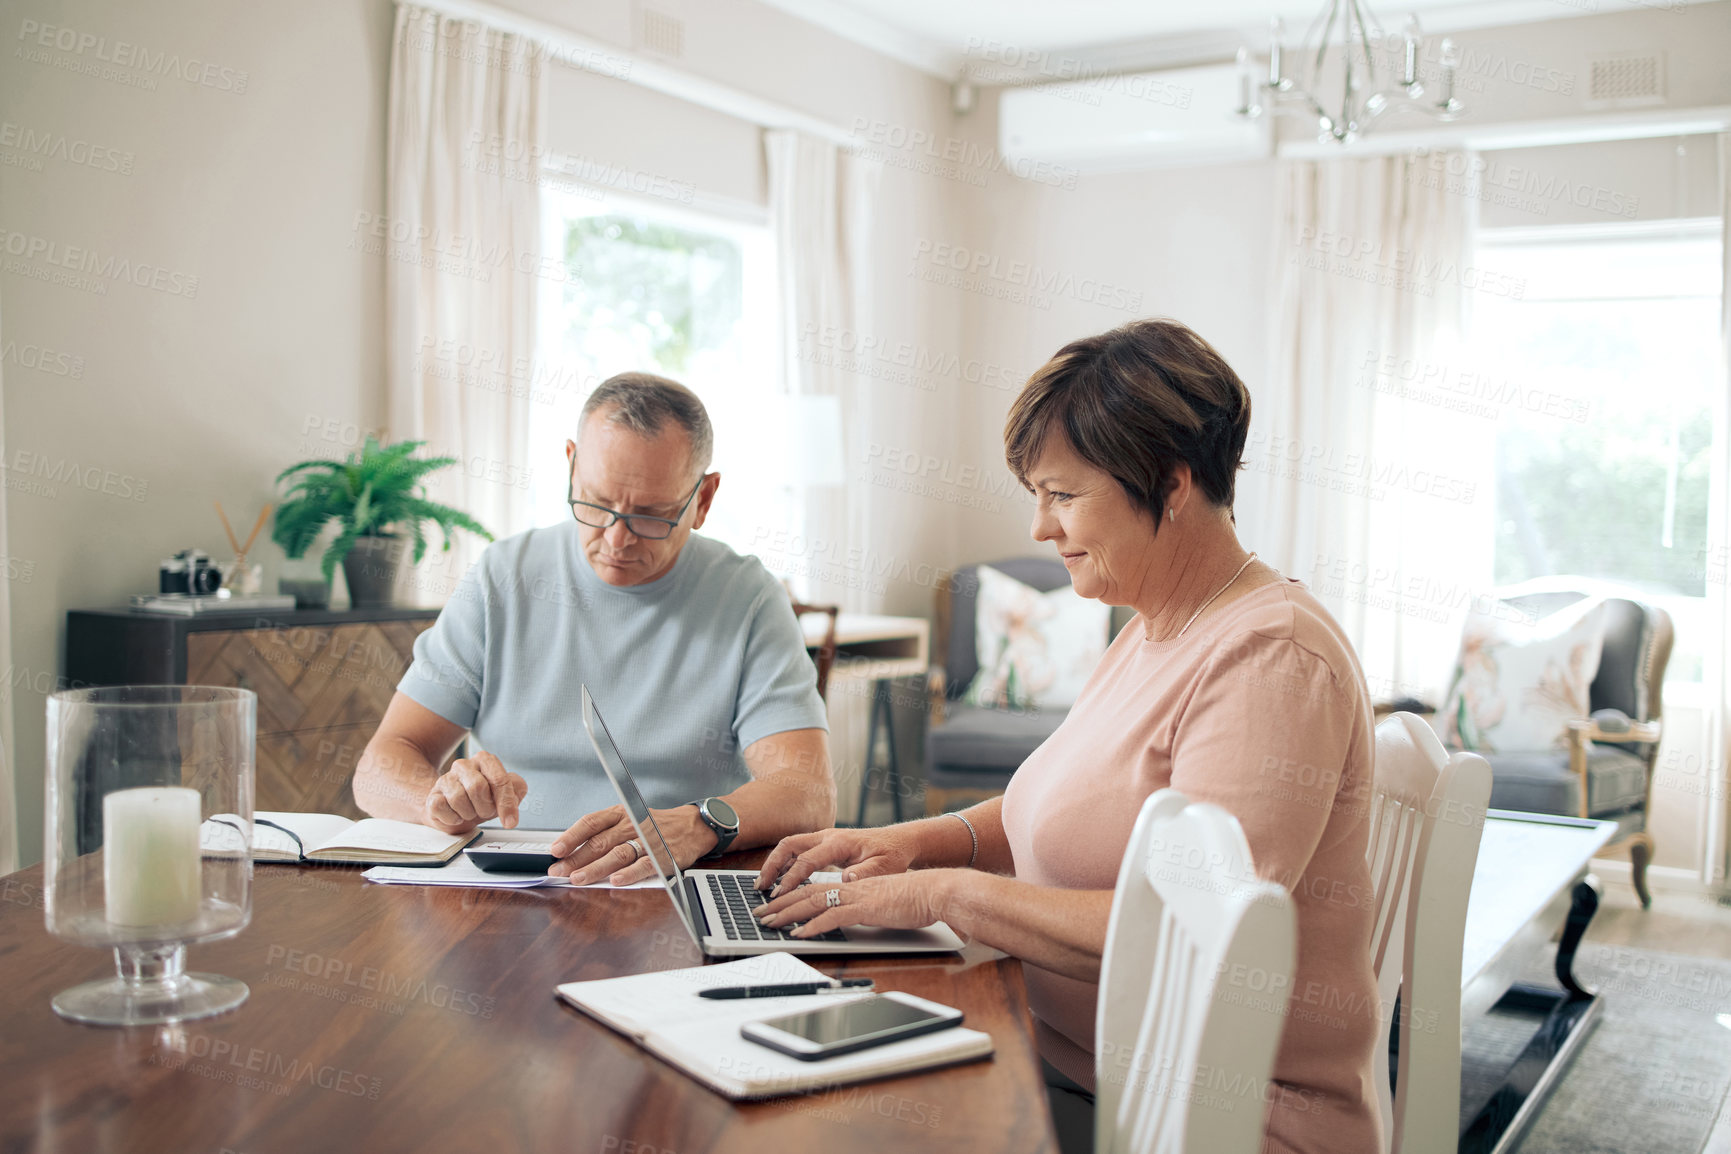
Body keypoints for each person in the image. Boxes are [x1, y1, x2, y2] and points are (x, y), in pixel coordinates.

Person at [754, 320, 1382, 1154]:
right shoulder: (1154, 623)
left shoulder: (1270, 656)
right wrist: (904, 843)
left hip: (1210, 1119)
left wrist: (941, 894)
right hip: (1071, 1061)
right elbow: (1046, 811)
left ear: (1169, 484)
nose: (1039, 530)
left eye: (1062, 494)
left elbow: (1193, 939)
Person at [352, 373, 834, 885]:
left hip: (671, 882)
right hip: (510, 888)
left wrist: (699, 823)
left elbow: (806, 791)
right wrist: (436, 802)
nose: (616, 538)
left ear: (704, 500)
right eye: (596, 502)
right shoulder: (502, 578)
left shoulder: (749, 597)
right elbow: (381, 765)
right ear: (570, 464)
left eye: (651, 515)